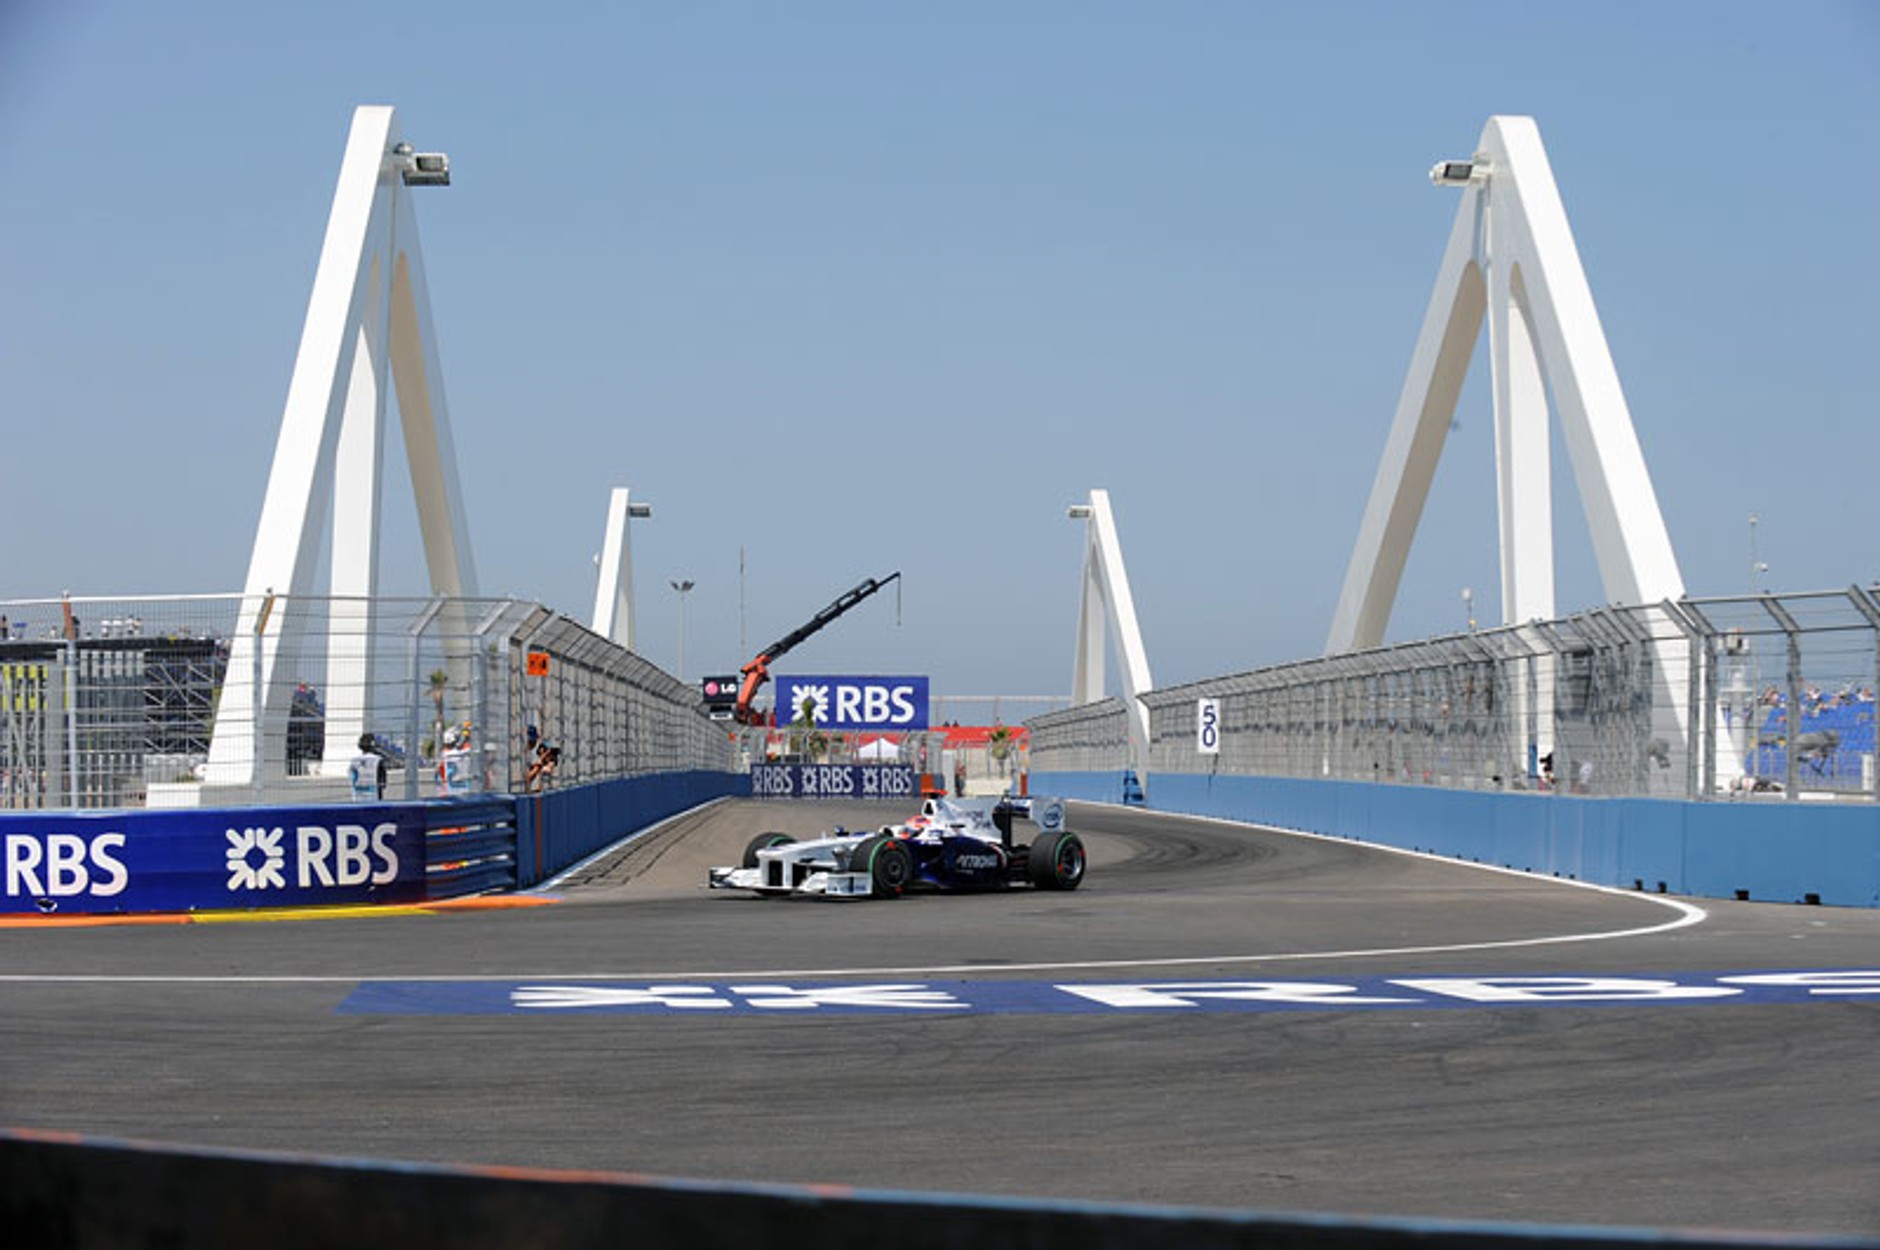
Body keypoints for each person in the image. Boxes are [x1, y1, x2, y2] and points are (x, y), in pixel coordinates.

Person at [348, 733, 386, 801]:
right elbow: (383, 784)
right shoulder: (378, 760)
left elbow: (352, 780)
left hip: (358, 799)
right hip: (374, 799)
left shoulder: (354, 762)